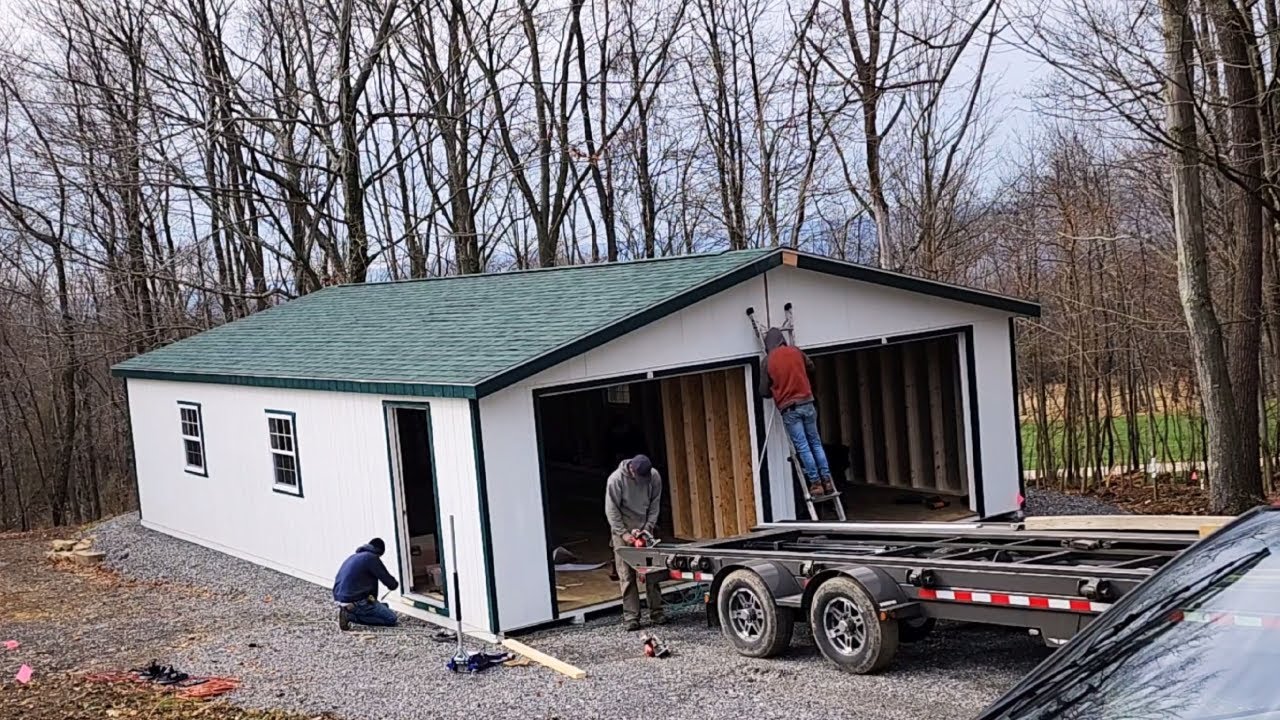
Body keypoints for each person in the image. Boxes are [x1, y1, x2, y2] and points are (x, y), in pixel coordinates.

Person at [761, 327, 835, 497]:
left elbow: (764, 392)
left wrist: (777, 385)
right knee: (816, 443)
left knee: (803, 447)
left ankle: (816, 484)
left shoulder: (767, 361)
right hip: (808, 403)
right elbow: (811, 367)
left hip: (790, 408)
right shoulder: (796, 351)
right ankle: (828, 480)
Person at [605, 454, 665, 631]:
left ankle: (657, 612)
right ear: (631, 470)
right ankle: (632, 617)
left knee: (652, 572)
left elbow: (655, 504)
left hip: (645, 526)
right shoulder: (615, 480)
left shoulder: (653, 477)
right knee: (627, 575)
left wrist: (648, 527)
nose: (643, 481)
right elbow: (611, 511)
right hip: (622, 527)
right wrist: (624, 534)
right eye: (640, 477)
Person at [332, 537, 399, 630]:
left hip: (340, 597)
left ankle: (349, 609)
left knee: (385, 606)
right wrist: (395, 584)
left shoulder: (354, 557)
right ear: (380, 552)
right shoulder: (371, 558)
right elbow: (389, 582)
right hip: (356, 600)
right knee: (391, 618)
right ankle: (350, 616)